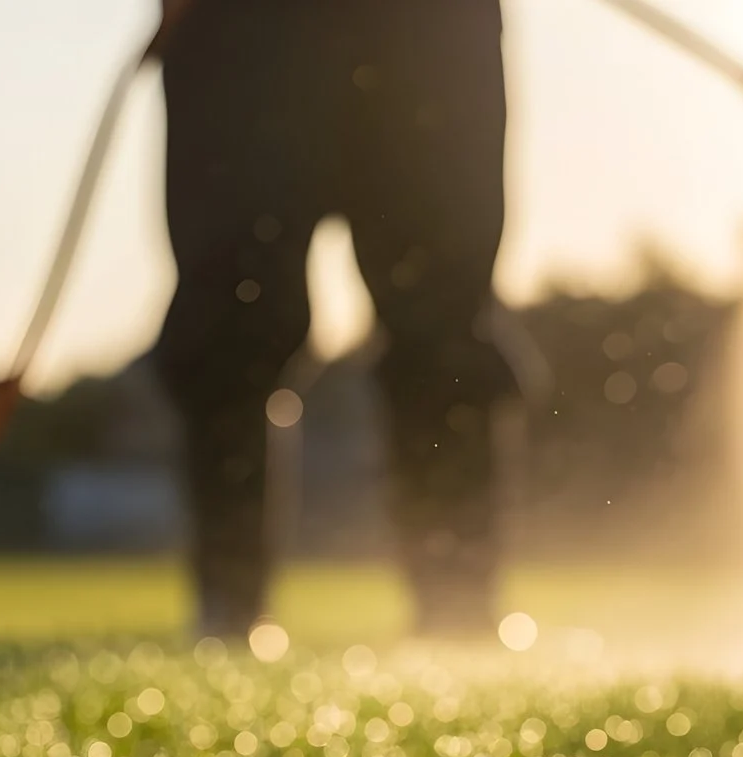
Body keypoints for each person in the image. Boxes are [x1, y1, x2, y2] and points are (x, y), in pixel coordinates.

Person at [150, 0, 514, 639]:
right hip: (244, 27)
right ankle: (229, 610)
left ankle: (458, 604)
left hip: (427, 27)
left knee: (443, 321)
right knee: (232, 313)